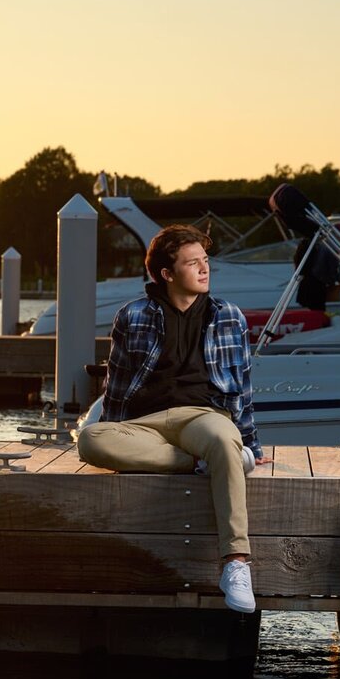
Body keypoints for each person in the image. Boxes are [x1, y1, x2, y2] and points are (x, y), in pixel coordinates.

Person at [77, 224, 268, 613]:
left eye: (205, 261)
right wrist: (114, 429)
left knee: (223, 439)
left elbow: (243, 386)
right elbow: (116, 384)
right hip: (145, 423)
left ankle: (235, 563)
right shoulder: (133, 316)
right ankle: (202, 464)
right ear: (167, 273)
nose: (203, 269)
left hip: (202, 415)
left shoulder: (228, 316)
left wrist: (249, 443)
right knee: (90, 439)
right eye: (192, 262)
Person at [292, 235, 340, 311]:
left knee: (313, 310)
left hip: (306, 282)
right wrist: (336, 281)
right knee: (319, 310)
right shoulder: (328, 247)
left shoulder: (312, 245)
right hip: (317, 285)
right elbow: (332, 268)